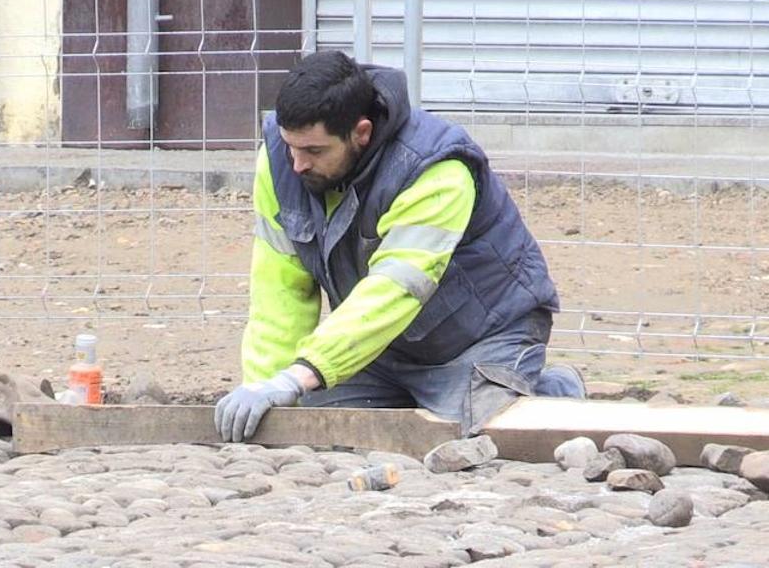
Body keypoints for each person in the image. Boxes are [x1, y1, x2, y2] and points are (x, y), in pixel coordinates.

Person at [214, 51, 584, 443]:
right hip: (381, 345)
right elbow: (280, 289)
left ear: (361, 132)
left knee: (476, 438)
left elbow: (396, 288)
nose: (297, 164)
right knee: (310, 432)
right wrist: (268, 390)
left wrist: (301, 374)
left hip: (482, 337)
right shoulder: (280, 160)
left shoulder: (435, 168)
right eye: (291, 146)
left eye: (314, 152)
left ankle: (550, 390)